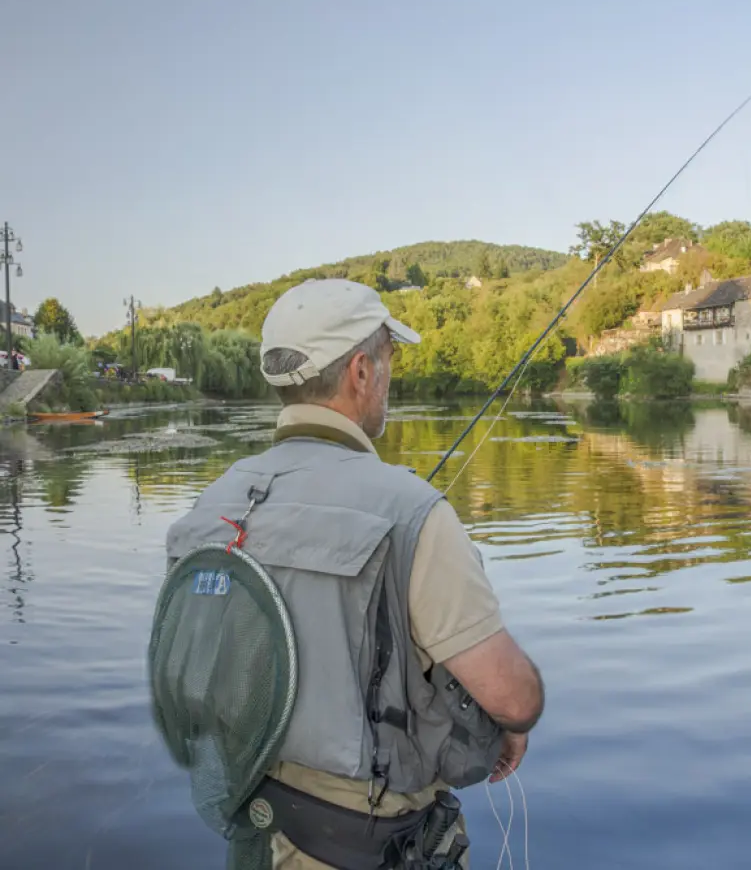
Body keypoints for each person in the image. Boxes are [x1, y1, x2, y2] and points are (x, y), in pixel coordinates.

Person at [164, 279, 545, 868]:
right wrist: (515, 720)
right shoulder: (414, 511)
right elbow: (512, 698)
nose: (392, 377)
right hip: (374, 850)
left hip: (256, 839)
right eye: (390, 359)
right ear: (361, 372)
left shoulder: (212, 502)